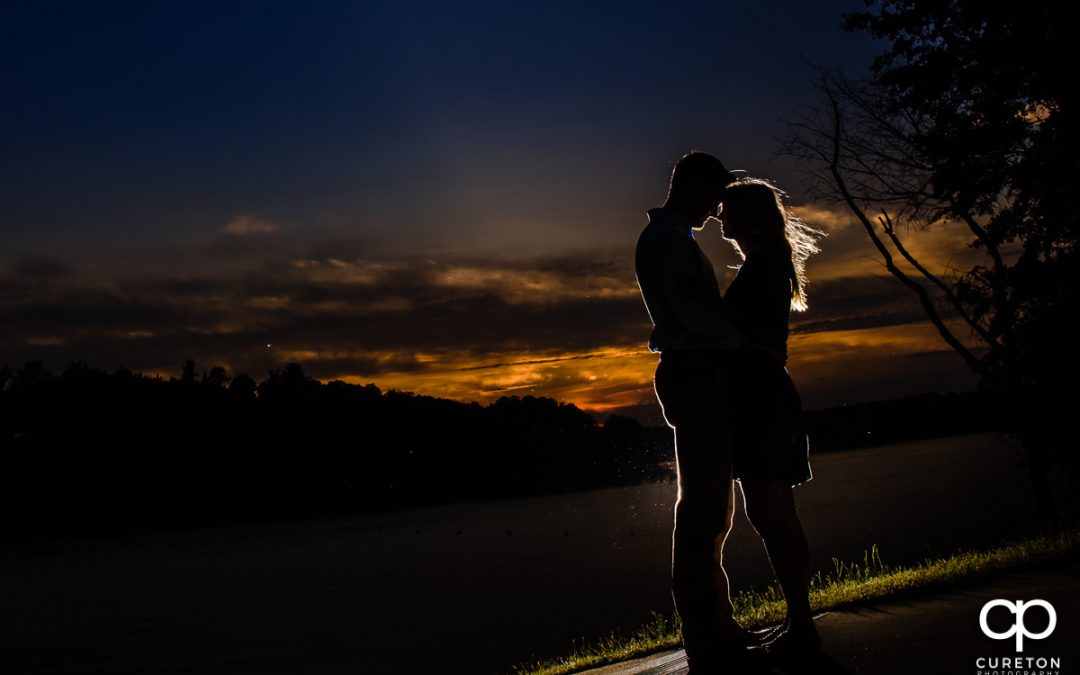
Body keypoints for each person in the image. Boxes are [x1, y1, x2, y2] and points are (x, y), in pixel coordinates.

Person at [634, 151, 762, 673]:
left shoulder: (674, 237)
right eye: (713, 197)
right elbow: (691, 310)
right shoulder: (666, 240)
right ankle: (707, 632)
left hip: (698, 371)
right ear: (690, 187)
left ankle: (715, 623)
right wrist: (740, 343)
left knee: (712, 505)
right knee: (705, 506)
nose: (716, 211)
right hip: (694, 370)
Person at [717, 177, 824, 660]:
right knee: (779, 514)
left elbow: (743, 336)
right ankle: (800, 621)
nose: (719, 217)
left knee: (770, 513)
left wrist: (727, 339)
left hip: (760, 400)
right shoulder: (765, 263)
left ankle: (801, 623)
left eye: (726, 210)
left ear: (747, 216)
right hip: (764, 396)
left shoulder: (763, 264)